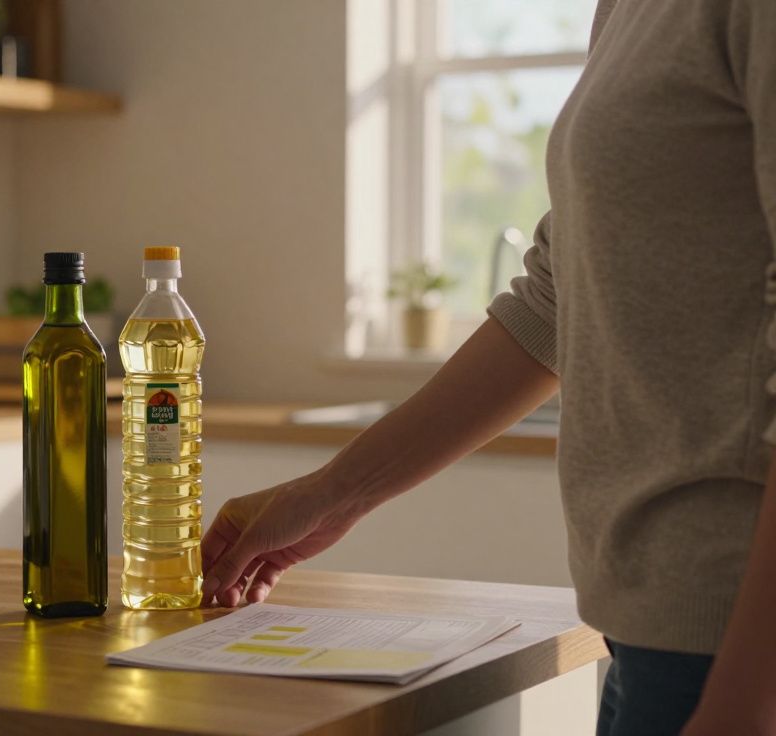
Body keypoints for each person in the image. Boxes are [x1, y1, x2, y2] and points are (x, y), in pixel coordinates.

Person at [200, 1, 776, 733]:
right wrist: (330, 496)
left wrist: (747, 701)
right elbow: (555, 300)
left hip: (739, 655)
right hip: (652, 636)